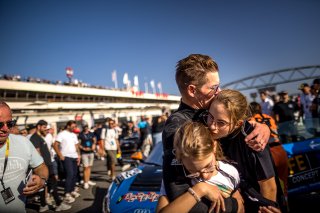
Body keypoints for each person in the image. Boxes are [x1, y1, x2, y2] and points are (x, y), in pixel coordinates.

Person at [162, 54, 271, 213]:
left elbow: (241, 115)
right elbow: (180, 197)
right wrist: (234, 205)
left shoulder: (213, 106)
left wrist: (263, 125)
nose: (218, 91)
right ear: (192, 90)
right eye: (213, 87)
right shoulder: (177, 127)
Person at [207, 89, 286, 213]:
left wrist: (265, 209)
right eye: (210, 117)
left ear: (238, 124)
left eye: (221, 123)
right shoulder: (209, 128)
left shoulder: (253, 137)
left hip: (256, 204)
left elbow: (268, 186)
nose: (212, 126)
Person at [157, 121, 241, 213]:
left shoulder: (230, 172)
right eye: (193, 172)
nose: (204, 176)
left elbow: (240, 206)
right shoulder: (176, 177)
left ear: (214, 146)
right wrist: (200, 189)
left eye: (208, 166)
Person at [0, 101, 48, 213]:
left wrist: (41, 180)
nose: (6, 129)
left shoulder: (23, 142)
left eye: (10, 123)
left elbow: (41, 167)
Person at [249, 102, 289, 199]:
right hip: (280, 149)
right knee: (283, 179)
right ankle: (285, 200)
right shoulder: (269, 117)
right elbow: (276, 131)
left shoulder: (251, 121)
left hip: (268, 152)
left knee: (269, 182)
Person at [30, 120, 71, 212]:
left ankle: (44, 205)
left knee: (47, 185)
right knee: (50, 184)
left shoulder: (40, 137)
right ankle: (57, 204)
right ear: (39, 127)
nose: (46, 129)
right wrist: (42, 167)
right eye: (44, 127)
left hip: (47, 165)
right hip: (43, 167)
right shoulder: (35, 138)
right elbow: (37, 153)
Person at [53, 120, 81, 204]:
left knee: (75, 174)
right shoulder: (62, 134)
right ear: (68, 126)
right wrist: (60, 155)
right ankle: (67, 193)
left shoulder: (74, 135)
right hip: (66, 157)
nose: (74, 128)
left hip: (74, 157)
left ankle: (72, 190)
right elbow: (55, 145)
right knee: (70, 174)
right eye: (73, 126)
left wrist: (78, 155)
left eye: (75, 126)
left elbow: (76, 145)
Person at [78, 125, 96, 189]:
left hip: (91, 152)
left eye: (87, 127)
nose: (86, 128)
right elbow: (78, 144)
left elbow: (94, 140)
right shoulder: (80, 135)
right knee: (85, 167)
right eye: (84, 127)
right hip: (84, 153)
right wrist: (83, 148)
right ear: (83, 128)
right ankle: (85, 182)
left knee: (89, 167)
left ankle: (88, 180)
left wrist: (94, 145)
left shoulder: (91, 133)